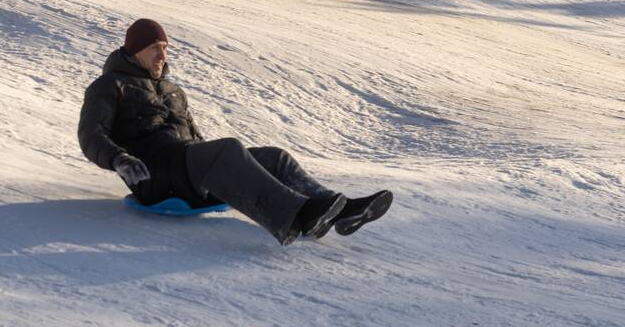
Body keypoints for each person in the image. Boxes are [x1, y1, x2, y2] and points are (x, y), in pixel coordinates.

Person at [78, 19, 393, 245]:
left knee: (273, 157)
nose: (162, 55)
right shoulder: (109, 86)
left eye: (165, 48)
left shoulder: (172, 89)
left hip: (186, 168)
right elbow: (91, 135)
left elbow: (194, 137)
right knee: (227, 149)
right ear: (134, 51)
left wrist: (211, 159)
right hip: (154, 175)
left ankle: (340, 210)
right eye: (154, 48)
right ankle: (299, 214)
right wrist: (119, 159)